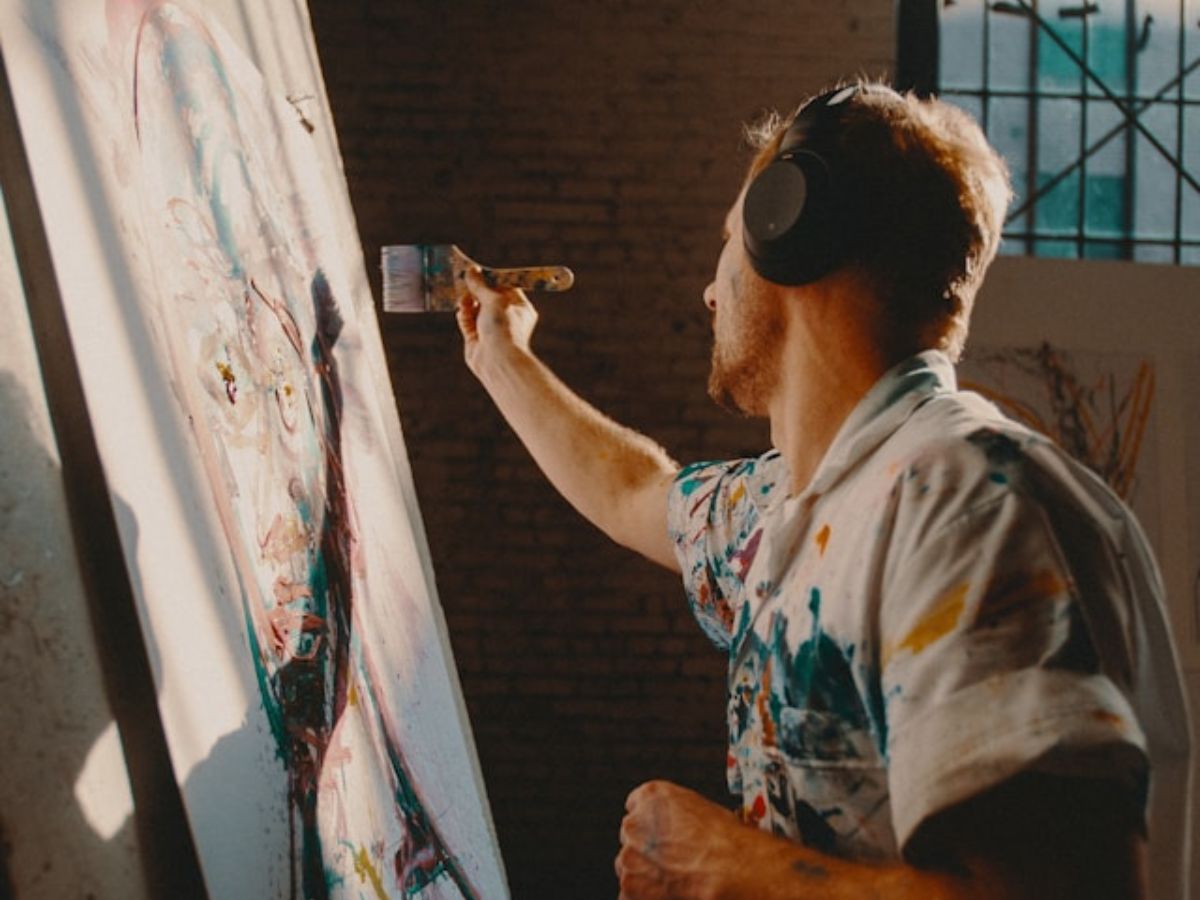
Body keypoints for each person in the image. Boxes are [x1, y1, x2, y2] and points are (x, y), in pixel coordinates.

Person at [454, 80, 1193, 899]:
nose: (709, 291)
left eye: (728, 243)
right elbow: (635, 488)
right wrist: (501, 355)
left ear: (787, 232)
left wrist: (721, 865)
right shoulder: (795, 505)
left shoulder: (966, 499)